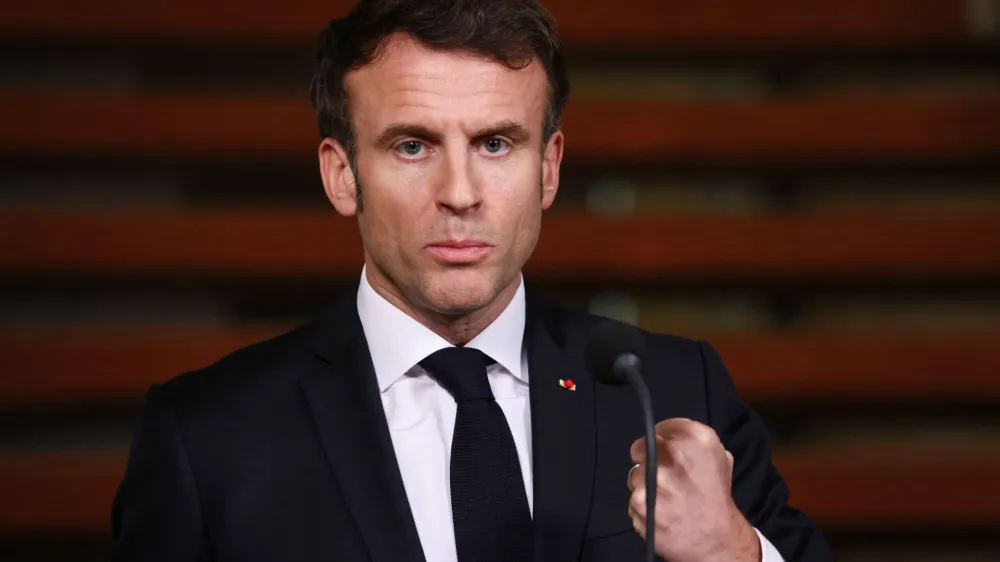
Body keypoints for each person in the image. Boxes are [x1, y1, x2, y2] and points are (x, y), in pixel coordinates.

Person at [110, 0, 834, 560]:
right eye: (413, 145)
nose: (459, 193)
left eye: (494, 143)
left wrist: (732, 552)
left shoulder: (673, 393)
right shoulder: (207, 437)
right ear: (342, 175)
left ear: (548, 168)